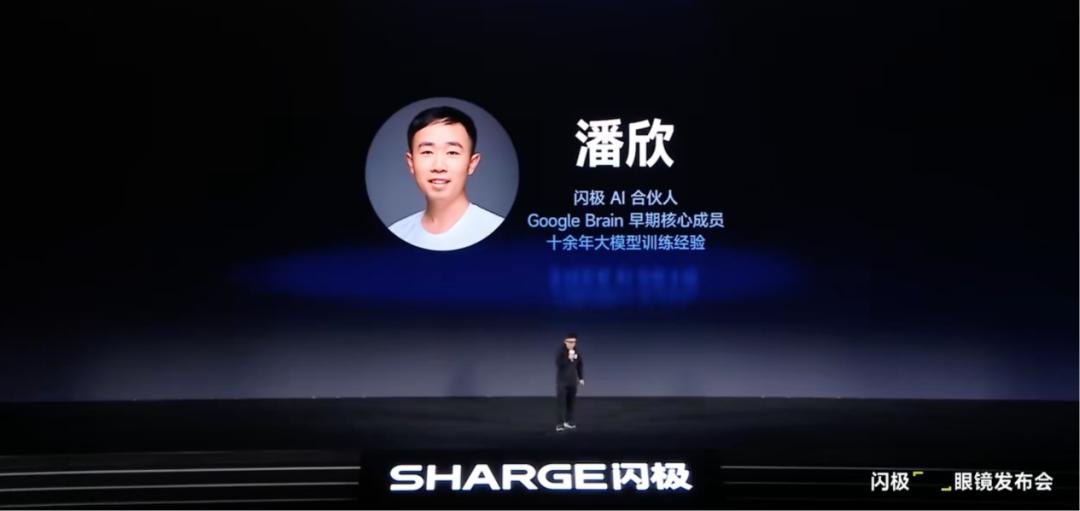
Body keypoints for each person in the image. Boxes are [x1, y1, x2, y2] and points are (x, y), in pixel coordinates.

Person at [388, 106, 505, 251]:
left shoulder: (498, 232)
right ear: (411, 163)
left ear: (472, 163)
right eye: (427, 152)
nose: (438, 166)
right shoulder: (397, 233)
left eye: (452, 152)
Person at [555, 333, 584, 432]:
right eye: (570, 342)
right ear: (565, 342)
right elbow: (559, 364)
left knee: (571, 403)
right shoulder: (561, 352)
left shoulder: (577, 352)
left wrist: (581, 378)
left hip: (572, 382)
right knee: (561, 403)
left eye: (574, 342)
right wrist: (569, 358)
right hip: (562, 382)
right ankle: (560, 424)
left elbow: (580, 365)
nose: (572, 344)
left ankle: (568, 422)